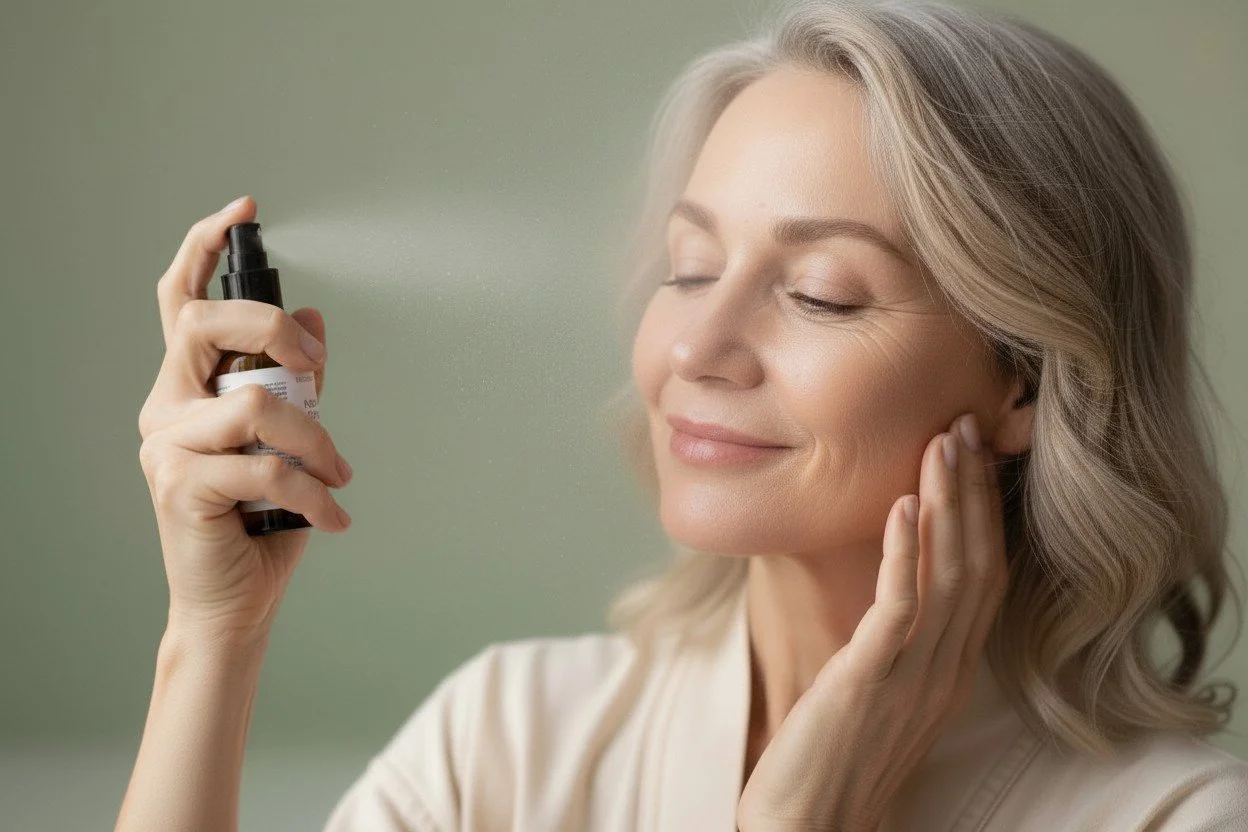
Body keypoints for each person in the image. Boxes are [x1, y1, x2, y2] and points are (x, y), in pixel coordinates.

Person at [115, 0, 1248, 830]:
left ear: (1026, 382)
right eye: (689, 267)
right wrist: (212, 640)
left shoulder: (1173, 818)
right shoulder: (511, 742)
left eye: (821, 294)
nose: (697, 349)